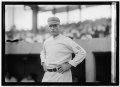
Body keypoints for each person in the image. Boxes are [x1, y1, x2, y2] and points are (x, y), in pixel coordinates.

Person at [40, 17, 86, 82]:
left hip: (61, 74)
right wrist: (43, 62)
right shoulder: (47, 41)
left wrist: (70, 64)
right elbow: (43, 52)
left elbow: (82, 52)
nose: (52, 28)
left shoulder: (67, 40)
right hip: (48, 74)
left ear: (59, 26)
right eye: (50, 26)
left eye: (55, 25)